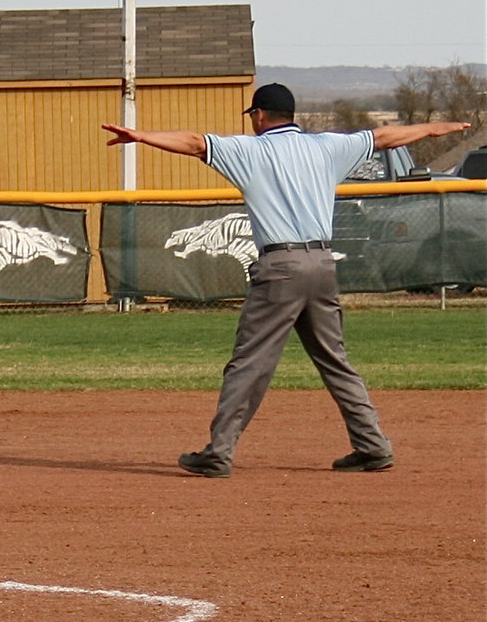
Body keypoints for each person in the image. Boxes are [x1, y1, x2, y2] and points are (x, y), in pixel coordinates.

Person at [102, 83, 470, 478]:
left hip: (280, 268)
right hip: (322, 263)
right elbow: (383, 137)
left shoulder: (249, 150)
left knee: (249, 363)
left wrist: (142, 136)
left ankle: (219, 452)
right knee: (335, 360)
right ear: (291, 115)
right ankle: (373, 445)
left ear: (260, 115)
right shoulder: (327, 147)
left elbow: (193, 142)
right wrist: (433, 129)